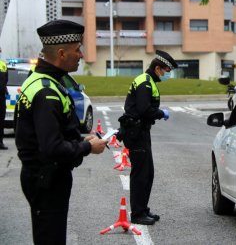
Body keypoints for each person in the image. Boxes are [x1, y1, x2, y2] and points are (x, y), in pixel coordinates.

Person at [15, 19, 108, 245]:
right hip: (47, 179)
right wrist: (88, 147)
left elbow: (52, 132)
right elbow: (52, 148)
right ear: (61, 53)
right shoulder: (47, 92)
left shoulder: (41, 80)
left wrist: (79, 138)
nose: (82, 55)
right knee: (51, 238)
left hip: (43, 176)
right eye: (77, 50)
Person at [119, 49, 177, 225]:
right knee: (140, 174)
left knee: (148, 173)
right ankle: (137, 214)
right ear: (158, 68)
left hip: (141, 131)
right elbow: (144, 110)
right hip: (136, 132)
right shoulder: (145, 82)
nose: (167, 75)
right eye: (166, 71)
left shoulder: (148, 81)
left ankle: (143, 209)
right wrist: (161, 113)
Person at [0, 46, 7, 150]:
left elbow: (5, 80)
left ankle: (0, 142)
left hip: (1, 97)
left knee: (1, 120)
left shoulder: (3, 64)